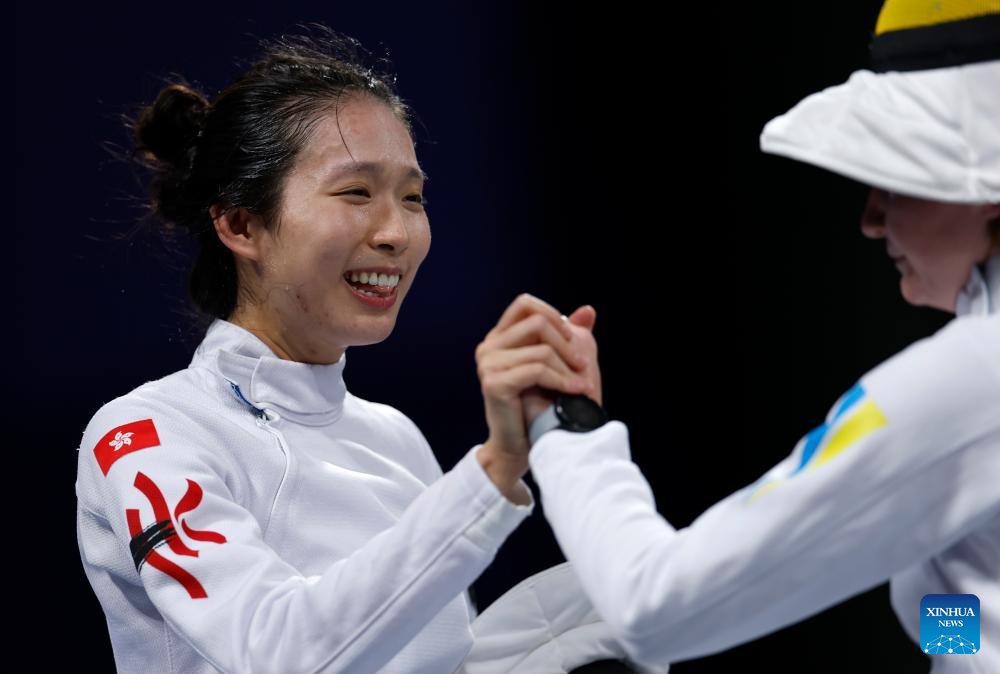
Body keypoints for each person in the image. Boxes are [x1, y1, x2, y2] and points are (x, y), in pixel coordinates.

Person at [74, 26, 653, 674]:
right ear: (240, 223)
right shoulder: (148, 433)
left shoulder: (395, 439)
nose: (396, 232)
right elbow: (280, 655)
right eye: (356, 193)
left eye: (412, 197)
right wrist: (492, 471)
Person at [517, 2, 1000, 671]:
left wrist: (564, 428)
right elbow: (956, 613)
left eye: (899, 175)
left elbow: (656, 610)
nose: (872, 217)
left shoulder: (977, 374)